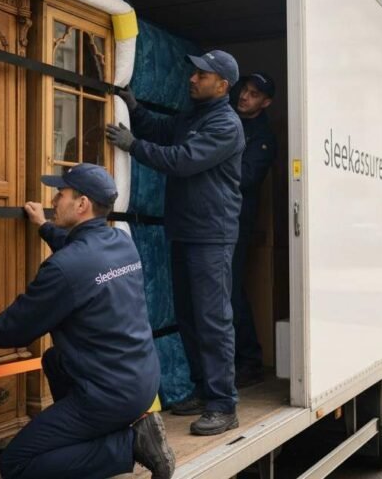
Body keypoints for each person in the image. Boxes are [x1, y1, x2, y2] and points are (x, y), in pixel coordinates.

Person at [0, 163, 174, 479]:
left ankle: (129, 444)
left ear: (82, 205)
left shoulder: (63, 269)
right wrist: (44, 226)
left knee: (15, 464)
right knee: (55, 359)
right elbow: (82, 254)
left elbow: (13, 330)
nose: (54, 200)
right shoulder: (122, 243)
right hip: (142, 381)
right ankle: (96, 436)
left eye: (61, 194)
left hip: (108, 394)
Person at [106, 50, 245, 436]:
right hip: (185, 231)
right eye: (194, 72)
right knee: (189, 317)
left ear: (222, 85)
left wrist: (133, 146)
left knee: (213, 321)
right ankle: (205, 390)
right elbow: (164, 131)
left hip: (211, 236)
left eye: (202, 74)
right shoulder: (195, 116)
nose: (192, 78)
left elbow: (182, 159)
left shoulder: (226, 125)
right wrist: (133, 107)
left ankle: (223, 404)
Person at [229, 73, 277, 388]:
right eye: (244, 90)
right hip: (220, 217)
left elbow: (245, 178)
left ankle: (249, 361)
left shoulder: (263, 137)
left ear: (265, 102)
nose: (245, 96)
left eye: (254, 94)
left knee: (230, 292)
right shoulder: (226, 118)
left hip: (236, 221)